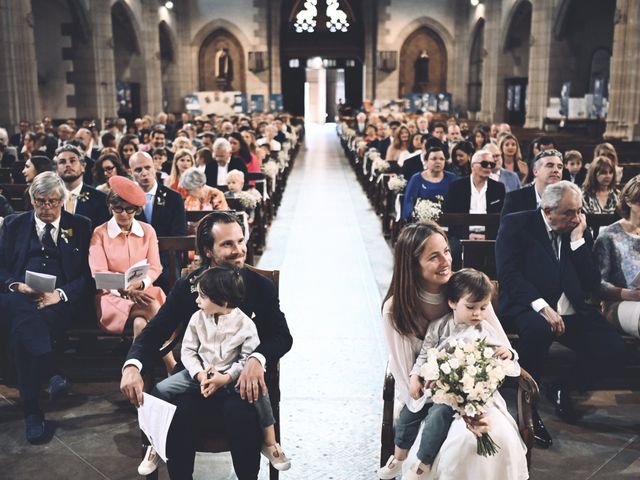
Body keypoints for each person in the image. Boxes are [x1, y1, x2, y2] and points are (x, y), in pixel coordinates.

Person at [120, 211, 292, 479]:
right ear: (207, 251)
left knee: (242, 414)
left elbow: (282, 336)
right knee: (180, 413)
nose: (239, 250)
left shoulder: (261, 286)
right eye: (227, 244)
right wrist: (132, 366)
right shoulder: (189, 287)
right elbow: (155, 332)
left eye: (240, 241)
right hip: (196, 377)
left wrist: (257, 359)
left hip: (239, 378)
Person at [496, 181, 626, 448]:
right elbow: (509, 274)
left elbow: (591, 283)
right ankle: (528, 410)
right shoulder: (517, 224)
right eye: (569, 212)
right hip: (529, 305)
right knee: (538, 332)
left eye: (579, 211)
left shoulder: (575, 230)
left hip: (571, 310)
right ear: (547, 210)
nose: (576, 218)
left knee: (614, 347)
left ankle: (563, 387)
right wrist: (542, 306)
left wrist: (578, 242)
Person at [382, 223, 516, 478]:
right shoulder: (395, 310)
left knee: (494, 436)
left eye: (446, 251)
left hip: (477, 392)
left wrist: (471, 401)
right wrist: (449, 398)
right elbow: (407, 381)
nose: (446, 261)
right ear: (413, 265)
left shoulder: (467, 291)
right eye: (434, 256)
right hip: (425, 399)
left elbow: (501, 346)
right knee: (458, 443)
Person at [137, 266, 291, 475]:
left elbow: (246, 358)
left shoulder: (245, 324)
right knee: (160, 390)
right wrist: (200, 374)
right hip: (199, 374)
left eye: (202, 296)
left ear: (222, 301)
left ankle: (271, 443)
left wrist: (227, 377)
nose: (197, 301)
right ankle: (154, 443)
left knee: (260, 393)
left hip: (231, 376)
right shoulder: (197, 318)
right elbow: (189, 351)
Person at [0, 172, 92, 443]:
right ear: (31, 200)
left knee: (21, 332)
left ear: (63, 200)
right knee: (19, 309)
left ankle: (32, 411)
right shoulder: (14, 224)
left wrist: (60, 295)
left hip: (59, 302)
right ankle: (50, 371)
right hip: (20, 295)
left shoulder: (81, 225)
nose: (47, 208)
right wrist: (17, 286)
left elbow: (88, 275)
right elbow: (1, 267)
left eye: (53, 202)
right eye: (41, 202)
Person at [88, 176, 175, 372]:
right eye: (118, 208)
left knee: (140, 325)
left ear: (137, 210)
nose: (124, 215)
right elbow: (98, 273)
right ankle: (172, 364)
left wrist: (141, 285)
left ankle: (139, 377)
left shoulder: (147, 231)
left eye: (130, 209)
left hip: (144, 290)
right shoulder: (100, 233)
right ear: (110, 206)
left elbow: (155, 266)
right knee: (150, 306)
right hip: (112, 298)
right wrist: (124, 292)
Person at [129, 151, 186, 293]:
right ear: (131, 172)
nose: (144, 173)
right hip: (135, 260)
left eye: (147, 168)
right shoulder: (127, 200)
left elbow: (179, 235)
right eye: (138, 170)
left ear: (154, 167)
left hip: (167, 259)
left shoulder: (174, 198)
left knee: (169, 279)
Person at [593, 175, 640, 338]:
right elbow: (597, 284)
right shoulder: (609, 235)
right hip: (617, 304)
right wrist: (630, 294)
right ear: (629, 201)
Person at [55, 144, 110, 228]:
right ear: (56, 170)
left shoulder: (100, 199)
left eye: (72, 161)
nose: (68, 165)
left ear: (83, 166)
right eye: (62, 162)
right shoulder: (50, 199)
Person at [501, 149, 564, 216]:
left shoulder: (568, 198)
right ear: (535, 171)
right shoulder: (514, 199)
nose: (556, 170)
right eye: (550, 165)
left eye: (560, 167)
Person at [402, 147, 456, 220]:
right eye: (434, 159)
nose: (438, 162)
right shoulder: (416, 179)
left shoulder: (452, 178)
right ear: (426, 161)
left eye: (441, 159)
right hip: (422, 221)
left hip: (447, 220)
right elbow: (409, 202)